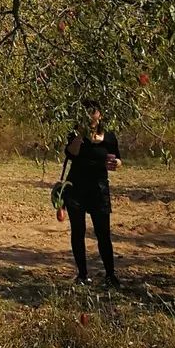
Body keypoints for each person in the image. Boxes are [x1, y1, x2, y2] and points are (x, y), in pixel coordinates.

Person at [64, 98, 121, 286]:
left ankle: (110, 275)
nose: (90, 114)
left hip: (99, 188)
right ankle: (82, 275)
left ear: (100, 114)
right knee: (78, 232)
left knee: (103, 233)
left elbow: (118, 159)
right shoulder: (74, 134)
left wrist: (117, 163)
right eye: (86, 111)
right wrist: (81, 134)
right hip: (76, 189)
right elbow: (71, 153)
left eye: (93, 111)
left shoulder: (110, 136)